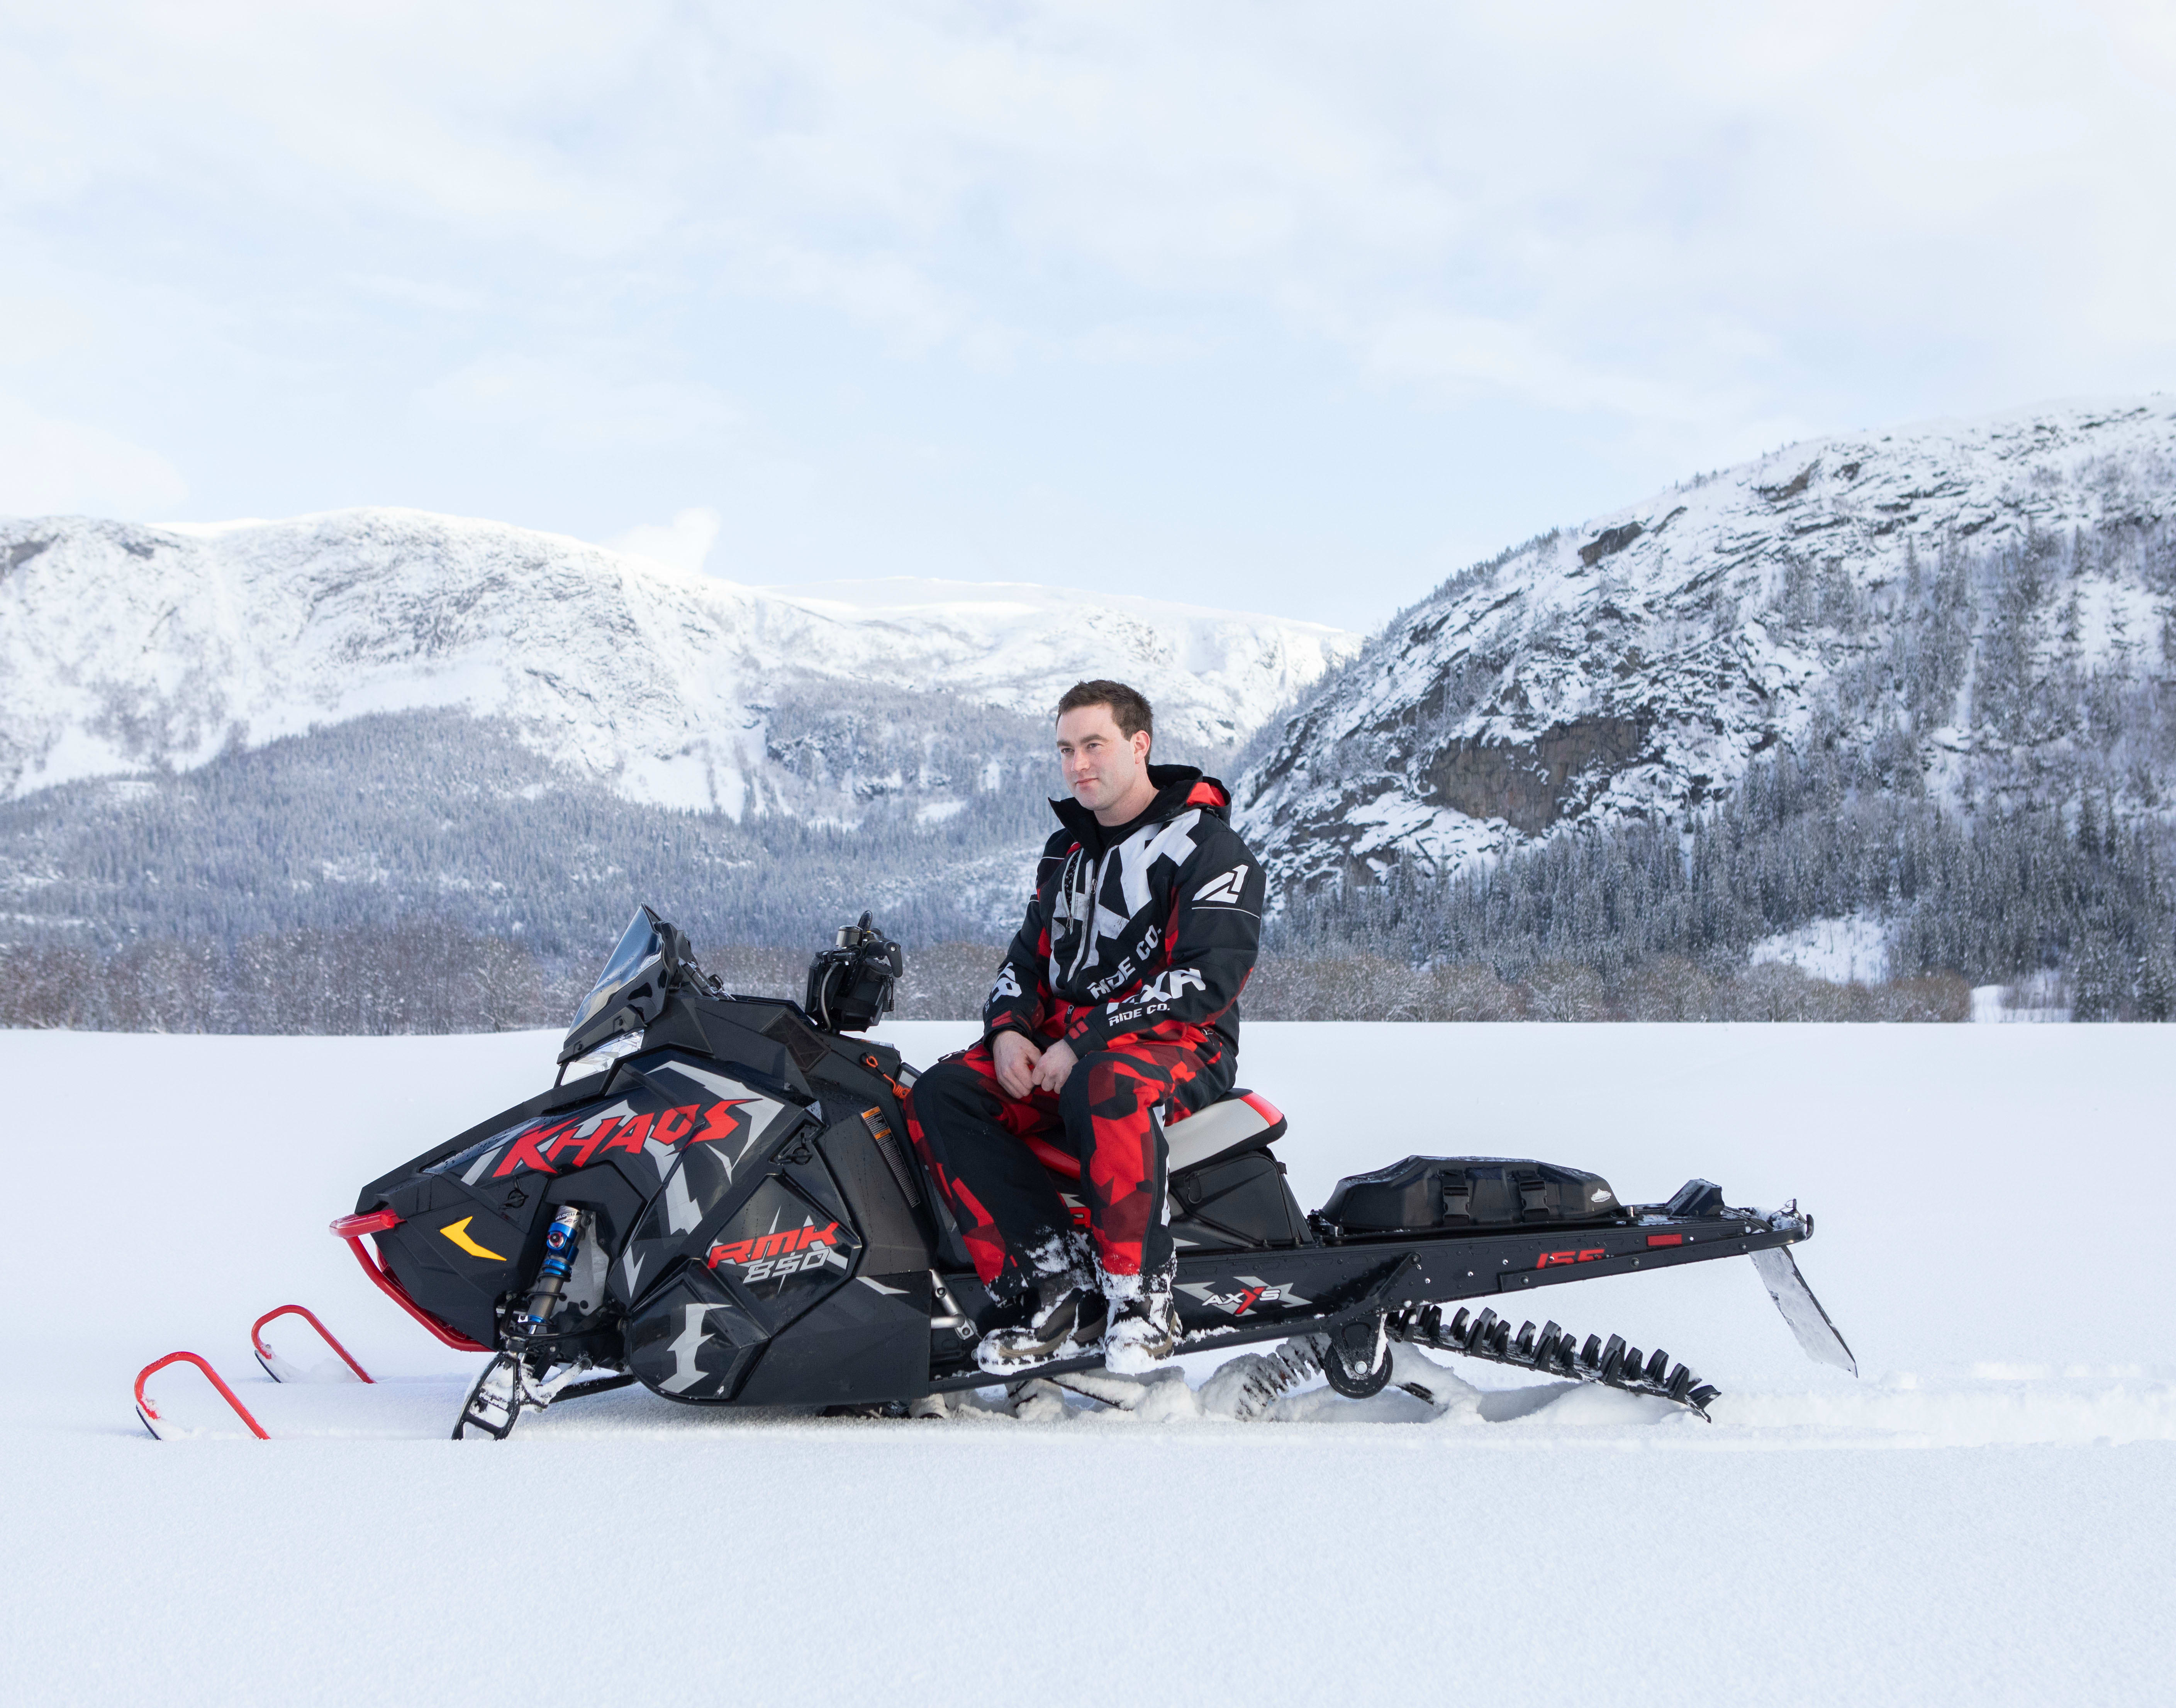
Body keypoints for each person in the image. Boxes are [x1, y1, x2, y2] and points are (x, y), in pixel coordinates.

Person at [906, 679, 1267, 1374]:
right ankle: (1050, 1287)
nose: (1078, 765)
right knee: (943, 1092)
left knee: (1104, 1083)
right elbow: (1026, 961)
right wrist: (1009, 1031)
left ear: (1140, 745)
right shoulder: (1066, 852)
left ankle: (1141, 1298)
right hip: (1066, 1046)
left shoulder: (1209, 848)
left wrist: (1085, 1040)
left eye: (1094, 745)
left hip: (1183, 1043)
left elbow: (1207, 979)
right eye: (1066, 750)